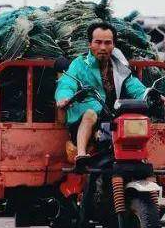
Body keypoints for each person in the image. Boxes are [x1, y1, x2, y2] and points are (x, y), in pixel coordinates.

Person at [54, 22, 158, 170]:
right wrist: (64, 97)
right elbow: (67, 83)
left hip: (111, 115)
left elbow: (133, 85)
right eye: (98, 42)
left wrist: (152, 95)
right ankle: (81, 155)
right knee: (90, 114)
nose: (103, 47)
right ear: (90, 44)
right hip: (84, 115)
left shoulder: (119, 66)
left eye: (107, 43)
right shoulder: (79, 64)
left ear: (113, 45)